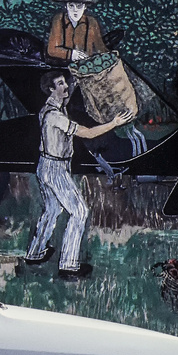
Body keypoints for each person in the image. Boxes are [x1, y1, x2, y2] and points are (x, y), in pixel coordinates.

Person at [25, 71, 131, 281]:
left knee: (52, 209)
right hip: (55, 169)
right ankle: (69, 265)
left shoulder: (53, 106)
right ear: (51, 89)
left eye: (65, 83)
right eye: (61, 84)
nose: (66, 87)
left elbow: (72, 87)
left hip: (46, 165)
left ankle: (35, 253)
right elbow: (87, 133)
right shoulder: (54, 116)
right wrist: (114, 123)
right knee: (80, 212)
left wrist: (80, 76)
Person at [45, 0, 108, 64]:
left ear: (85, 7)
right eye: (71, 6)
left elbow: (100, 48)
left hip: (86, 67)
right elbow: (51, 50)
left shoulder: (91, 22)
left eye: (79, 6)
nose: (75, 10)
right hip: (62, 67)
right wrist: (71, 54)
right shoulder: (59, 20)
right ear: (66, 6)